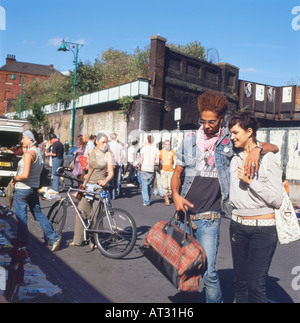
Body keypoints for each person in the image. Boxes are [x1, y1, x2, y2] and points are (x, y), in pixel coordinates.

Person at [171, 90, 279, 303]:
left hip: (209, 217)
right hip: (183, 215)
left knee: (209, 272)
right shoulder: (188, 141)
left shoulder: (229, 141)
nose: (206, 125)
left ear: (221, 119)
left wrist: (257, 150)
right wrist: (175, 195)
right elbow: (177, 174)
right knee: (185, 266)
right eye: (203, 120)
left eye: (211, 121)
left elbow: (272, 147)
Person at [228, 111, 283, 303]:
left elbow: (277, 200)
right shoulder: (233, 157)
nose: (232, 137)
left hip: (263, 229)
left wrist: (252, 182)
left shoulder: (268, 160)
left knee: (256, 286)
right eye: (231, 133)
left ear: (249, 131)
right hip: (237, 227)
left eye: (236, 133)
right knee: (240, 285)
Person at [11, 130, 61, 251]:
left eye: (23, 138)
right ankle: (54, 237)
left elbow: (25, 174)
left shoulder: (29, 154)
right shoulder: (39, 152)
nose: (22, 140)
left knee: (21, 218)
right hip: (33, 188)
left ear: (30, 139)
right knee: (38, 214)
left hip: (22, 189)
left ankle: (22, 244)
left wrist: (14, 178)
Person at [69, 133, 114, 247]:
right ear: (96, 142)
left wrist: (105, 180)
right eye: (103, 142)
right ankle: (77, 239)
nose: (105, 144)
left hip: (99, 188)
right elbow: (86, 167)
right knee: (81, 211)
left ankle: (94, 241)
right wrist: (85, 175)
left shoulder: (108, 155)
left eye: (106, 142)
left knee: (97, 216)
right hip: (88, 187)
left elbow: (111, 173)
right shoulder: (90, 152)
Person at [138, 135, 159, 206]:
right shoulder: (156, 149)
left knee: (144, 185)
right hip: (151, 168)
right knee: (150, 185)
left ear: (147, 140)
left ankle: (146, 200)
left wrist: (139, 165)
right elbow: (157, 160)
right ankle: (148, 198)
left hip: (144, 168)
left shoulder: (144, 148)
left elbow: (141, 159)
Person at [159, 140, 175, 206]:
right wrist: (160, 169)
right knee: (164, 185)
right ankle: (166, 200)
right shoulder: (161, 152)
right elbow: (158, 160)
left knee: (170, 186)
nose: (168, 145)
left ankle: (170, 196)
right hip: (164, 170)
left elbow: (174, 161)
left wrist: (175, 168)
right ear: (164, 145)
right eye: (166, 144)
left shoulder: (172, 152)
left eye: (169, 144)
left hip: (171, 171)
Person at [109, 133, 123, 199]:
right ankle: (115, 194)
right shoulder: (119, 145)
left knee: (110, 179)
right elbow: (121, 155)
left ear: (110, 137)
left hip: (111, 163)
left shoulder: (109, 145)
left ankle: (112, 195)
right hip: (118, 163)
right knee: (116, 180)